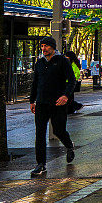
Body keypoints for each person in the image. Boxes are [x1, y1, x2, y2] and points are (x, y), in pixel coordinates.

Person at [30, 36, 76, 177]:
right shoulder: (39, 63)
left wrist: (66, 96)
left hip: (58, 103)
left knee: (58, 130)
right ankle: (41, 164)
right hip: (42, 103)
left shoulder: (62, 61)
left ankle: (69, 146)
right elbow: (35, 82)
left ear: (53, 47)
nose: (43, 49)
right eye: (42, 46)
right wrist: (32, 101)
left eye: (46, 46)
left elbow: (72, 80)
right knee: (40, 133)